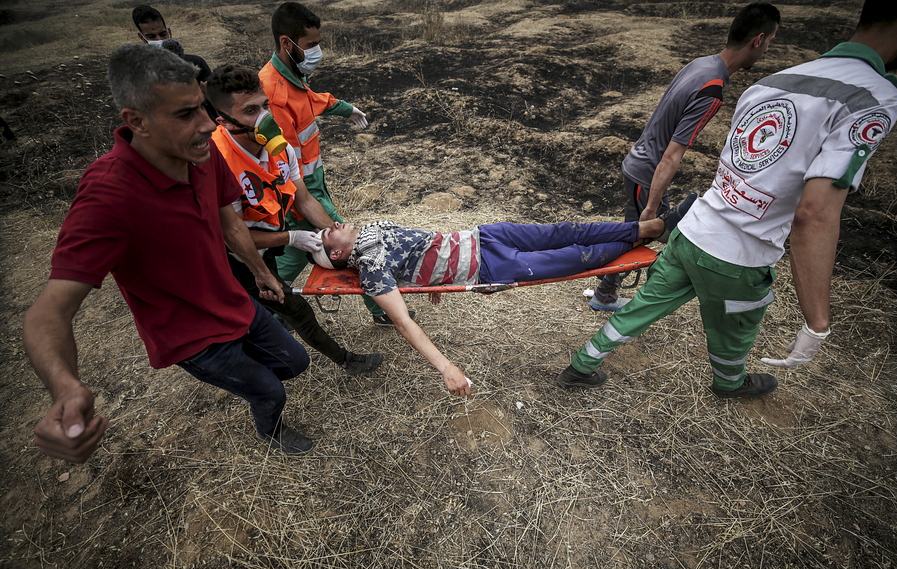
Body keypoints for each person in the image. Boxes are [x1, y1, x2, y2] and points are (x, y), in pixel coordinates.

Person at [558, 0, 897, 398]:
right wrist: (816, 322)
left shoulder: (771, 83)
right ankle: (729, 383)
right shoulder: (873, 97)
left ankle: (582, 364)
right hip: (738, 256)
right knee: (735, 330)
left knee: (644, 305)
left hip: (693, 232)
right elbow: (814, 214)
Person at [23, 44, 317, 462]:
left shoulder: (201, 152)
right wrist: (66, 388)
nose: (205, 125)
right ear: (136, 122)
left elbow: (227, 219)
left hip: (236, 302)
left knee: (294, 362)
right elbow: (47, 314)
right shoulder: (108, 196)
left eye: (202, 107)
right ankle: (271, 429)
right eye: (185, 114)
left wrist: (260, 273)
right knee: (270, 389)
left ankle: (249, 376)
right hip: (191, 334)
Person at [310, 200, 695, 397]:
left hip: (485, 235)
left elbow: (418, 248)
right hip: (489, 267)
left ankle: (650, 226)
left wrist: (429, 284)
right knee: (575, 260)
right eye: (328, 237)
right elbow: (402, 321)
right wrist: (446, 368)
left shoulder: (373, 227)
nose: (332, 227)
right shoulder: (372, 268)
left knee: (566, 230)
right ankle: (637, 239)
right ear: (340, 256)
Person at [588, 2, 781, 311]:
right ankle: (612, 291)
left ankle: (606, 291)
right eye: (770, 41)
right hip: (647, 171)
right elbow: (672, 155)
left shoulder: (702, 63)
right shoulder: (712, 88)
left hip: (638, 163)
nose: (768, 49)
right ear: (757, 40)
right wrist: (652, 207)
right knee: (661, 234)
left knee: (636, 235)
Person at [205, 64, 383, 375]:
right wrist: (291, 239)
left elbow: (304, 199)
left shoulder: (282, 149)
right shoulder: (216, 163)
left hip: (264, 249)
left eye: (264, 106)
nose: (264, 118)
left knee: (271, 309)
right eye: (250, 111)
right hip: (229, 260)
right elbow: (233, 236)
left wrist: (332, 233)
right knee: (292, 310)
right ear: (223, 121)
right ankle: (344, 360)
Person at [258, 2, 391, 326]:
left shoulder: (290, 76)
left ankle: (264, 313)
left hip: (311, 183)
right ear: (286, 43)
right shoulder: (273, 93)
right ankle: (385, 310)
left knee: (292, 257)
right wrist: (300, 203)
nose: (317, 52)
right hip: (302, 192)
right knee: (352, 248)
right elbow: (283, 166)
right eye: (311, 45)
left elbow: (311, 99)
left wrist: (345, 108)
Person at [132, 5, 212, 83]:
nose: (159, 39)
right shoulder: (138, 73)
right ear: (142, 37)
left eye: (163, 34)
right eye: (151, 37)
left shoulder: (196, 63)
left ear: (169, 32)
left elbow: (216, 92)